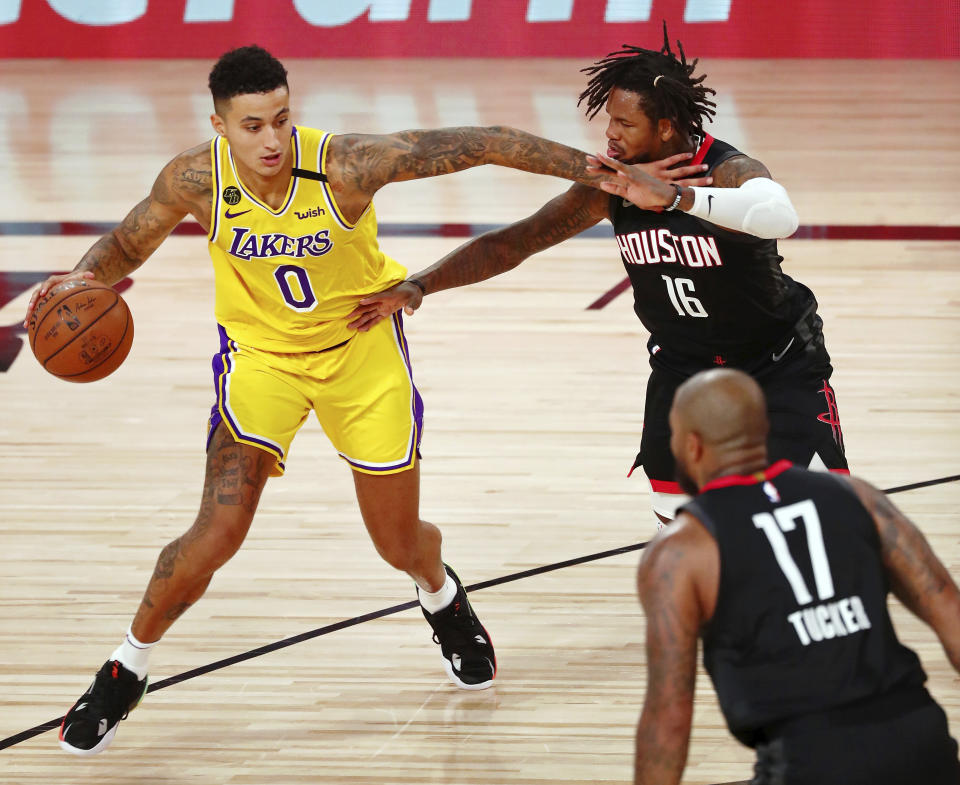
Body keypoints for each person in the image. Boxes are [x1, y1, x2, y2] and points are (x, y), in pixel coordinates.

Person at [23, 45, 707, 757]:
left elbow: (485, 143)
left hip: (361, 351)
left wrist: (608, 175)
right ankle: (125, 667)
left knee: (397, 543)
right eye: (252, 125)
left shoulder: (345, 164)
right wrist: (76, 281)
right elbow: (128, 243)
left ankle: (440, 592)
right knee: (215, 532)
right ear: (220, 125)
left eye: (282, 120)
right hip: (261, 362)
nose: (271, 140)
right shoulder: (195, 178)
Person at [348, 27, 848, 528]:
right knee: (679, 523)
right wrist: (420, 284)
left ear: (667, 128)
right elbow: (515, 242)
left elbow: (780, 215)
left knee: (789, 520)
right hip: (683, 367)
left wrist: (677, 199)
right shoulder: (609, 186)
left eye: (625, 123)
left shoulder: (723, 171)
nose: (611, 133)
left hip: (776, 363)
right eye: (610, 119)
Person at [632, 367, 960, 785]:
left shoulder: (680, 551)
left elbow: (669, 716)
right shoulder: (859, 497)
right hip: (922, 742)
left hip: (809, 760)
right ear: (763, 430)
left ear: (691, 445)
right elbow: (952, 615)